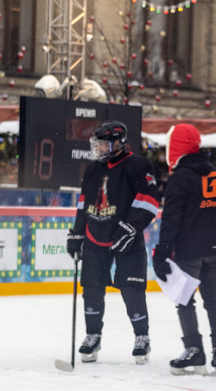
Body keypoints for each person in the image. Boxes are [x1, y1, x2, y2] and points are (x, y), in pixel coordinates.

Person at [66, 121, 159, 364]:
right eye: (96, 144)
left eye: (103, 144)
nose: (98, 149)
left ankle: (142, 337)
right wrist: (77, 232)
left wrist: (130, 226)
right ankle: (92, 336)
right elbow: (84, 201)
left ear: (118, 143)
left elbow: (149, 199)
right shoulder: (93, 168)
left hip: (126, 239)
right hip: (95, 237)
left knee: (132, 289)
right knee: (92, 288)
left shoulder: (138, 165)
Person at [151, 123, 216, 375]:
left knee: (185, 301)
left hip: (190, 250)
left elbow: (171, 219)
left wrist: (162, 252)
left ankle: (195, 351)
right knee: (213, 299)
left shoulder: (179, 179)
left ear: (176, 148)